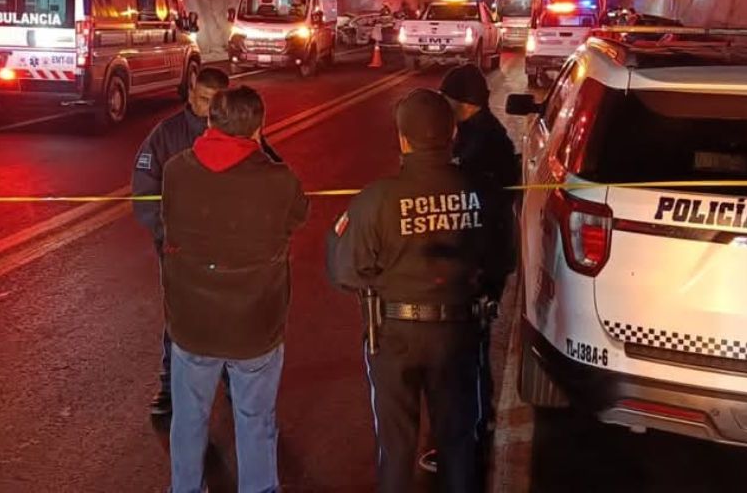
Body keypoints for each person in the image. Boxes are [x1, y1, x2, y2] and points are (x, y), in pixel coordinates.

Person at [326, 89, 496, 493]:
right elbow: (504, 260)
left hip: (394, 334)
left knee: (396, 445)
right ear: (453, 132)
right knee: (458, 441)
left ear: (402, 139)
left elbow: (344, 270)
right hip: (459, 332)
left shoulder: (376, 200)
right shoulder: (484, 193)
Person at [162, 86, 308, 493]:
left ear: (210, 121)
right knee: (255, 416)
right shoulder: (278, 180)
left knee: (189, 415)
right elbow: (299, 215)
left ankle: (184, 487)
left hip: (193, 319)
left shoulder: (176, 170)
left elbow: (167, 223)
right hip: (255, 322)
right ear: (259, 128)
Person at [415, 63, 520, 474]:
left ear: (462, 104)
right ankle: (474, 429)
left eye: (447, 100)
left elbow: (475, 213)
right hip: (485, 263)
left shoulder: (480, 146)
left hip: (478, 267)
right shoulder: (484, 136)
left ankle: (469, 440)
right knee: (468, 352)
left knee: (466, 355)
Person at [132, 66, 230, 417]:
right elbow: (145, 191)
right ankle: (170, 387)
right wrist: (166, 237)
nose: (209, 110)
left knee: (229, 313)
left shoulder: (238, 134)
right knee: (181, 319)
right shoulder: (167, 135)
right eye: (204, 100)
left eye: (217, 103)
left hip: (225, 249)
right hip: (180, 251)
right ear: (191, 94)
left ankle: (232, 382)